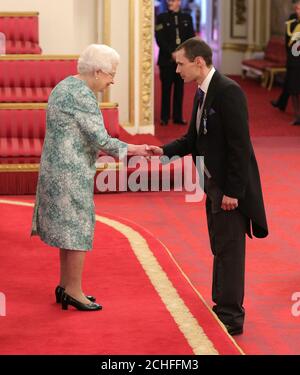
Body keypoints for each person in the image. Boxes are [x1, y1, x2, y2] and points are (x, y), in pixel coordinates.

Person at [149, 37, 268, 335]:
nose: (176, 70)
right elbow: (192, 140)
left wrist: (233, 193)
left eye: (180, 63)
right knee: (220, 248)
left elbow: (241, 147)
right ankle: (222, 306)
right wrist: (161, 152)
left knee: (230, 251)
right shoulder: (202, 93)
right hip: (212, 186)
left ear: (199, 62)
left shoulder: (229, 92)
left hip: (229, 192)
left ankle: (231, 316)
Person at [31, 44, 152, 311]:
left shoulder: (65, 85)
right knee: (77, 230)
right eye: (111, 74)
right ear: (97, 72)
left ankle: (65, 287)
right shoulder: (83, 96)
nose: (112, 80)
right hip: (70, 173)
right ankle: (74, 291)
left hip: (55, 168)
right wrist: (136, 149)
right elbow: (101, 140)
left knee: (67, 230)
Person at [155, 0, 195, 126]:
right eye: (168, 0)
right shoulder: (161, 17)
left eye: (172, 0)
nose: (169, 2)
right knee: (166, 88)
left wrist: (182, 54)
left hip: (182, 62)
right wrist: (172, 53)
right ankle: (164, 117)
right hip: (166, 60)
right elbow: (159, 38)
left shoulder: (187, 18)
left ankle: (178, 116)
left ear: (179, 2)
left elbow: (190, 37)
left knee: (179, 89)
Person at [271, 3, 299, 112]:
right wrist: (290, 55)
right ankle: (281, 103)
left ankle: (282, 103)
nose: (297, 10)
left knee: (290, 82)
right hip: (293, 56)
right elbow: (288, 39)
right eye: (296, 8)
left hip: (297, 58)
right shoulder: (292, 18)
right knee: (289, 81)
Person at [285, 0, 300, 125]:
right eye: (297, 8)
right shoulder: (292, 23)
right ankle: (297, 116)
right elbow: (287, 42)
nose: (298, 10)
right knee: (294, 90)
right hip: (294, 61)